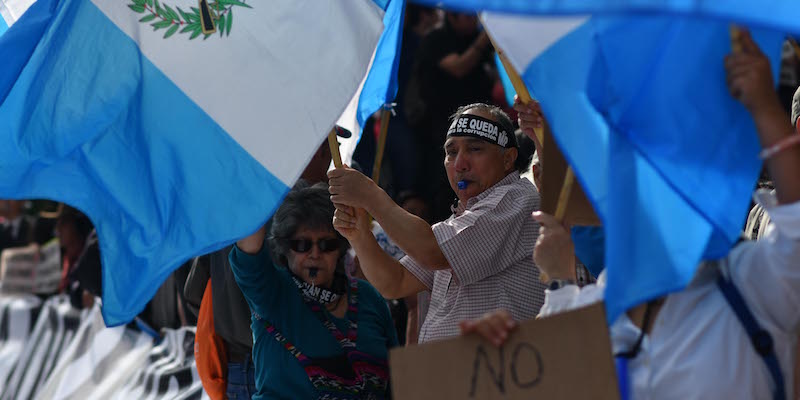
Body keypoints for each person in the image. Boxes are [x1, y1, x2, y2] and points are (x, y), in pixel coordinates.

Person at [461, 30, 800, 399]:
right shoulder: (603, 304)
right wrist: (499, 352)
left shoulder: (754, 280)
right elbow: (551, 385)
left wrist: (766, 108)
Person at [330, 103, 547, 343]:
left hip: (492, 372)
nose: (460, 164)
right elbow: (394, 282)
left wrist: (372, 196)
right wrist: (358, 233)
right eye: (451, 152)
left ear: (508, 159)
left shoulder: (516, 198)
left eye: (475, 149)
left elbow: (432, 252)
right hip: (455, 371)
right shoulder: (460, 222)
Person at [230, 182, 398, 399]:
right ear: (284, 248)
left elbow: (397, 378)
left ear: (340, 249)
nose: (315, 254)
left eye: (327, 244)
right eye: (302, 245)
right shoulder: (272, 293)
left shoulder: (368, 297)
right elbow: (248, 248)